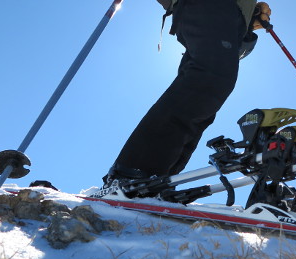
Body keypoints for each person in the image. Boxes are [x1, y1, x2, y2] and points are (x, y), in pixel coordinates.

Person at [101, 0, 271, 194]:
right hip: (212, 7)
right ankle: (133, 175)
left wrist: (248, 16)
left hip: (226, 14)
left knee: (204, 96)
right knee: (208, 78)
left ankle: (155, 182)